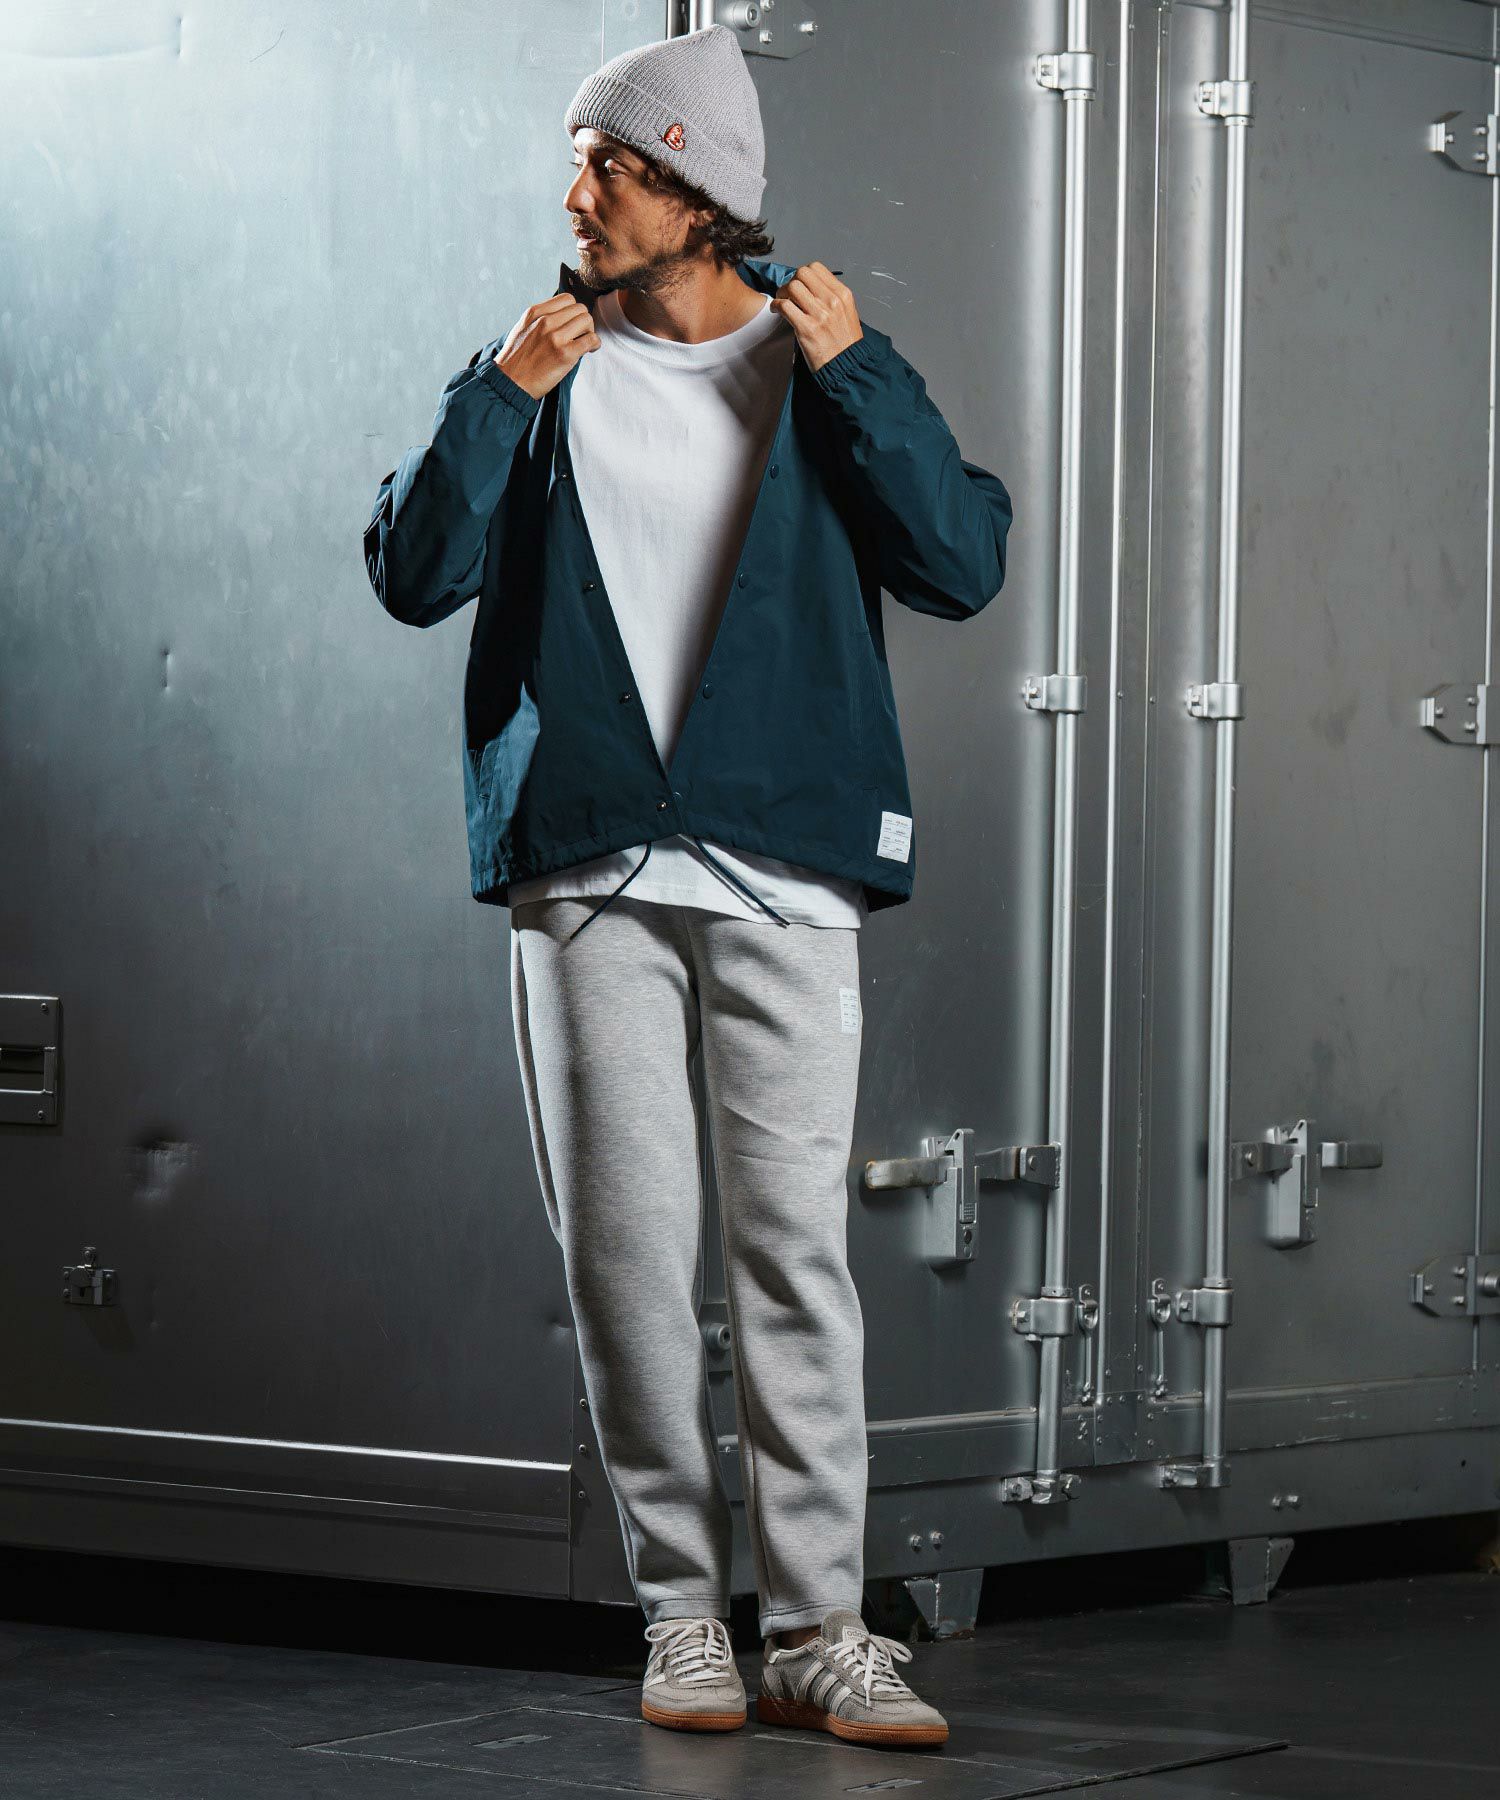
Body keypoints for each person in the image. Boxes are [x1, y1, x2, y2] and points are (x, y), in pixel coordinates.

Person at [364, 20, 1012, 1755]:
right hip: (586, 865)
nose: (578, 195)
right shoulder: (538, 366)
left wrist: (864, 375)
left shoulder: (817, 360)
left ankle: (820, 1632)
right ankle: (683, 1617)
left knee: (792, 1256)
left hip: (786, 860)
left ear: (700, 192)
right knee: (629, 1264)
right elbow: (412, 571)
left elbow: (960, 562)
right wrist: (497, 393)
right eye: (577, 163)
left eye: (614, 166)